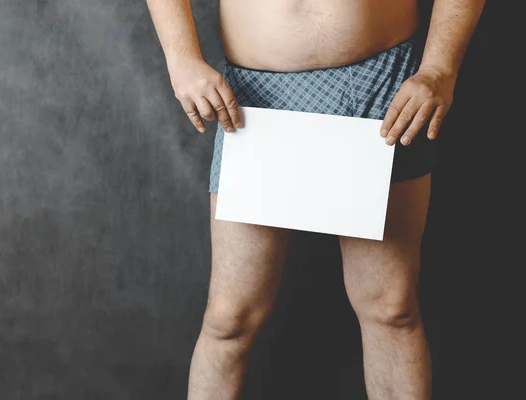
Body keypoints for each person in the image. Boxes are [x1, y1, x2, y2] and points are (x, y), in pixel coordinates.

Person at [146, 0, 485, 398]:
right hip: (256, 100)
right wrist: (181, 57)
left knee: (391, 309)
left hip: (382, 83)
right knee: (229, 320)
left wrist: (439, 68)